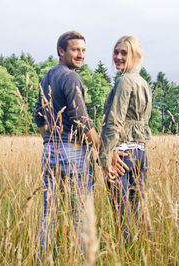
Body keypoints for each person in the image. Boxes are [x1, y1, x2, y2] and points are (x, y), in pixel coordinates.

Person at [33, 30, 101, 260]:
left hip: (50, 152)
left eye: (83, 50)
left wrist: (50, 139)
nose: (80, 54)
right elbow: (82, 121)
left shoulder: (47, 76)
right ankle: (85, 260)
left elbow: (38, 117)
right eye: (75, 50)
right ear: (61, 51)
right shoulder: (71, 78)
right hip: (74, 151)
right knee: (81, 215)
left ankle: (45, 260)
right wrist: (101, 147)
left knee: (48, 214)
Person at [99, 35, 152, 241]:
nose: (118, 57)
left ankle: (127, 257)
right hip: (140, 153)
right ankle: (147, 254)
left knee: (122, 217)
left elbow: (115, 121)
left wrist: (105, 159)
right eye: (116, 52)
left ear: (135, 55)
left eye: (124, 53)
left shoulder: (124, 81)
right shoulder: (143, 82)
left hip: (121, 155)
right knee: (140, 212)